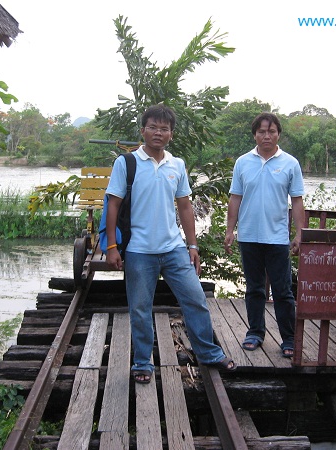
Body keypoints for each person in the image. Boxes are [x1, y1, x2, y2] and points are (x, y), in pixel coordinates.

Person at [105, 104, 236, 383]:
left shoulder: (176, 165)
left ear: (171, 135)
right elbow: (113, 205)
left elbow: (185, 206)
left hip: (174, 248)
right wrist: (112, 247)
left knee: (195, 299)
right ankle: (142, 363)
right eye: (152, 127)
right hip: (139, 250)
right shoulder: (126, 163)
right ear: (142, 130)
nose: (158, 132)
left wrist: (193, 245)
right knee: (140, 308)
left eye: (164, 128)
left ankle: (209, 353)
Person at [224, 112, 305, 358]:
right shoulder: (243, 162)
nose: (266, 136)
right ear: (255, 134)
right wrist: (230, 230)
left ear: (278, 133)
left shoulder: (290, 163)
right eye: (261, 131)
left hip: (277, 238)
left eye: (271, 131)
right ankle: (255, 332)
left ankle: (289, 338)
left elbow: (297, 201)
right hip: (248, 236)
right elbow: (235, 197)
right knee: (255, 288)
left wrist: (300, 233)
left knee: (283, 290)